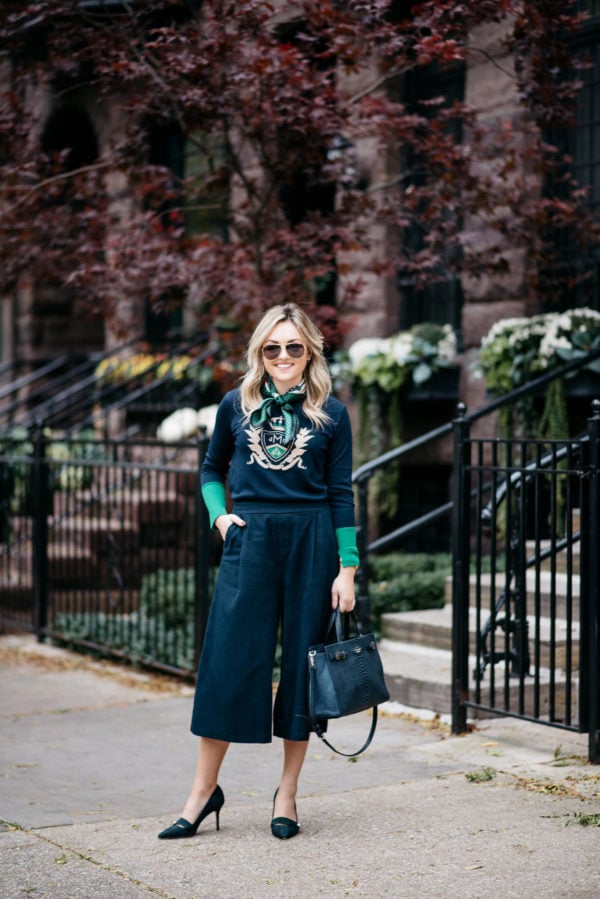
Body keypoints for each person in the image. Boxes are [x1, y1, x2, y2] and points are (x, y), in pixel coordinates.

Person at [158, 302, 359, 841]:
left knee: (300, 669)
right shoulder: (235, 405)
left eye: (294, 347)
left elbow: (341, 494)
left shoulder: (332, 414)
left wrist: (349, 568)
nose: (284, 356)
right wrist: (219, 517)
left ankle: (287, 794)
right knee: (227, 661)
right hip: (251, 539)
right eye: (273, 348)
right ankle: (203, 793)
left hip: (312, 542)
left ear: (310, 350)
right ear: (260, 354)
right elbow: (210, 469)